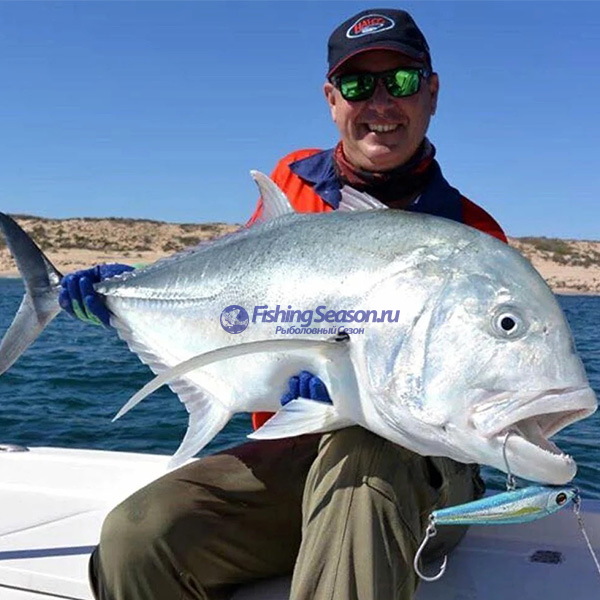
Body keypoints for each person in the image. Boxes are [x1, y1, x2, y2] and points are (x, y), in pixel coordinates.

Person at [61, 8, 507, 600]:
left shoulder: (474, 241)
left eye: (400, 80)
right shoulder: (292, 183)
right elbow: (235, 306)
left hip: (421, 469)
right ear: (331, 99)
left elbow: (483, 403)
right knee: (140, 536)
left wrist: (357, 394)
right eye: (357, 85)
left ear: (432, 93)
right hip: (291, 455)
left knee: (362, 453)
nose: (380, 102)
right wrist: (128, 296)